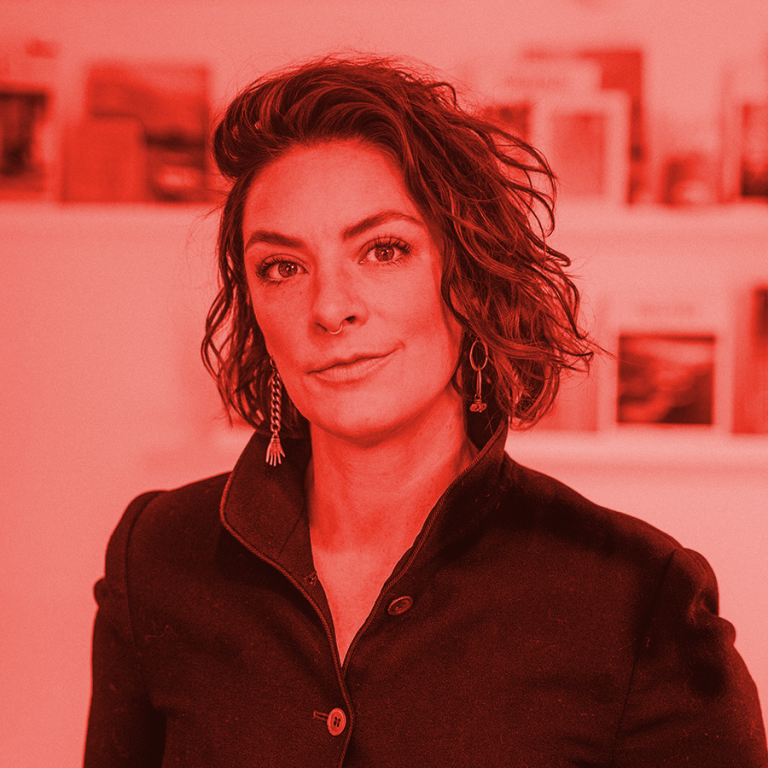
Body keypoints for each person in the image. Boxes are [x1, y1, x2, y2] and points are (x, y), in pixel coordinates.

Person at [84, 55, 767, 767]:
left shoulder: (637, 598)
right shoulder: (158, 555)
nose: (330, 308)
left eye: (384, 250)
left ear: (467, 276)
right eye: (282, 267)